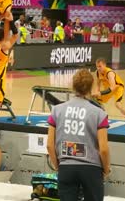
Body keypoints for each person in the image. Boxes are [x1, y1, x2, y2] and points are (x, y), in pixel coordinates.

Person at [47, 69, 110, 201]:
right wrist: (106, 169)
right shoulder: (99, 113)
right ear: (91, 87)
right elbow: (103, 149)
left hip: (66, 167)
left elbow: (49, 146)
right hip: (92, 170)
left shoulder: (56, 110)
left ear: (73, 86)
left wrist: (58, 166)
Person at [93, 58, 125, 126]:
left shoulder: (110, 73)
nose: (98, 68)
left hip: (117, 87)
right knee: (97, 101)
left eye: (100, 66)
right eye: (97, 66)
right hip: (108, 88)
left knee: (118, 104)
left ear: (104, 65)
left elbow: (113, 87)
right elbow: (97, 85)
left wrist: (100, 93)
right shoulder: (97, 73)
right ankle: (103, 118)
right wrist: (96, 93)